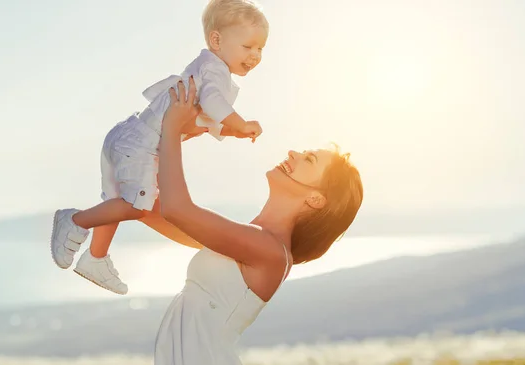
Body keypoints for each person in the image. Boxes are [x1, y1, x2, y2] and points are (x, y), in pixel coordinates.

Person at [49, 0, 269, 294]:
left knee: (115, 201)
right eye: (248, 47)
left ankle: (96, 257)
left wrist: (231, 132)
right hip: (142, 147)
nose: (255, 56)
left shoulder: (202, 66)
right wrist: (240, 124)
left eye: (260, 49)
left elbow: (200, 119)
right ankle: (74, 220)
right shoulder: (215, 71)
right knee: (135, 205)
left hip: (128, 135)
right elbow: (214, 103)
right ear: (217, 40)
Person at [147, 77, 364, 364]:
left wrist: (172, 129)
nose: (293, 153)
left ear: (316, 199)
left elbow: (176, 209)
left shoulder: (270, 251)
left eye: (309, 160)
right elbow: (153, 209)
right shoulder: (250, 239)